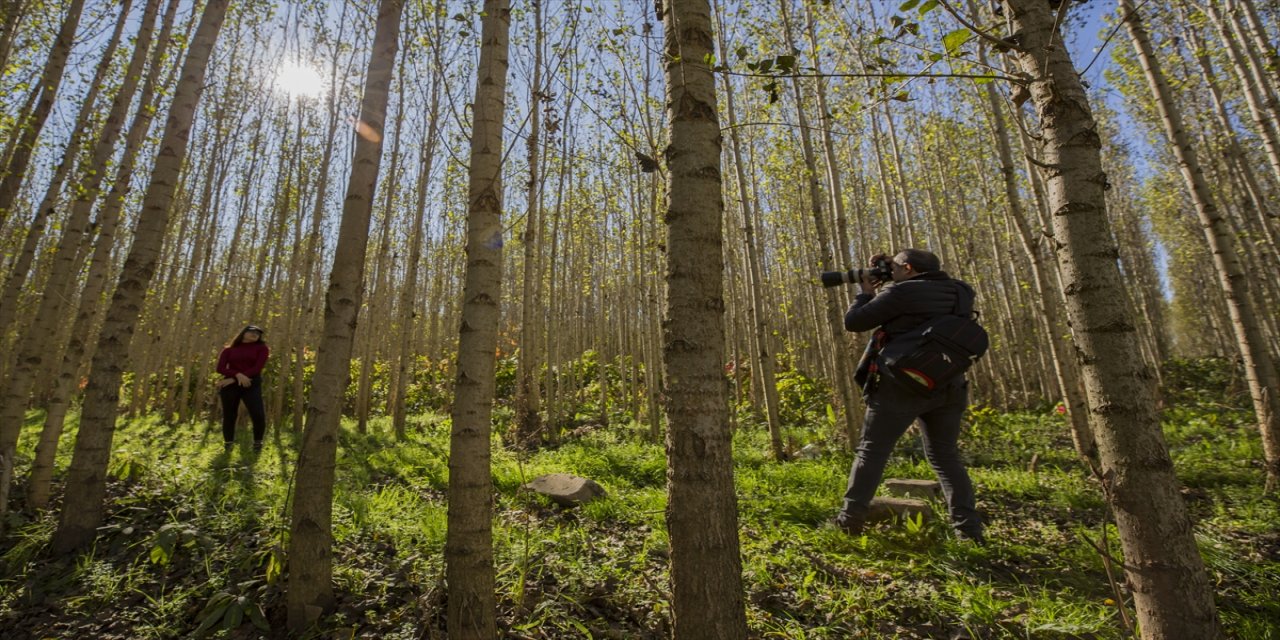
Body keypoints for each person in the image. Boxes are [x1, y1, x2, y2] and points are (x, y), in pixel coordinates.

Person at [834, 248, 984, 542]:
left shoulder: (900, 293)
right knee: (945, 456)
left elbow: (854, 322)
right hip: (948, 384)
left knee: (872, 452)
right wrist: (894, 268)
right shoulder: (962, 292)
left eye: (897, 268)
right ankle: (968, 531)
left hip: (900, 386)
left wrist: (865, 292)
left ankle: (849, 522)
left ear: (910, 269)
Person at [216, 325, 269, 453]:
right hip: (230, 386)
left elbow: (257, 368)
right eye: (252, 331)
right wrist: (237, 375)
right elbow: (220, 368)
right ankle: (228, 445)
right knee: (229, 415)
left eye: (258, 333)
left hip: (251, 383)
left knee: (258, 414)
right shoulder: (228, 350)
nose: (255, 334)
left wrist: (234, 378)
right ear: (243, 333)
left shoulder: (262, 348)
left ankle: (257, 444)